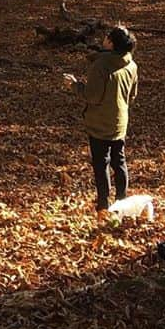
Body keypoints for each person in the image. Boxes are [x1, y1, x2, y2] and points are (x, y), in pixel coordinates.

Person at [63, 24, 139, 220]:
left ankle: (103, 206)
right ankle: (122, 201)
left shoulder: (101, 65)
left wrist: (74, 85)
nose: (103, 39)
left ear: (111, 43)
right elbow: (132, 95)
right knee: (119, 161)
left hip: (99, 123)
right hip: (120, 121)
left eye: (107, 36)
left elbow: (92, 96)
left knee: (101, 163)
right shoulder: (131, 64)